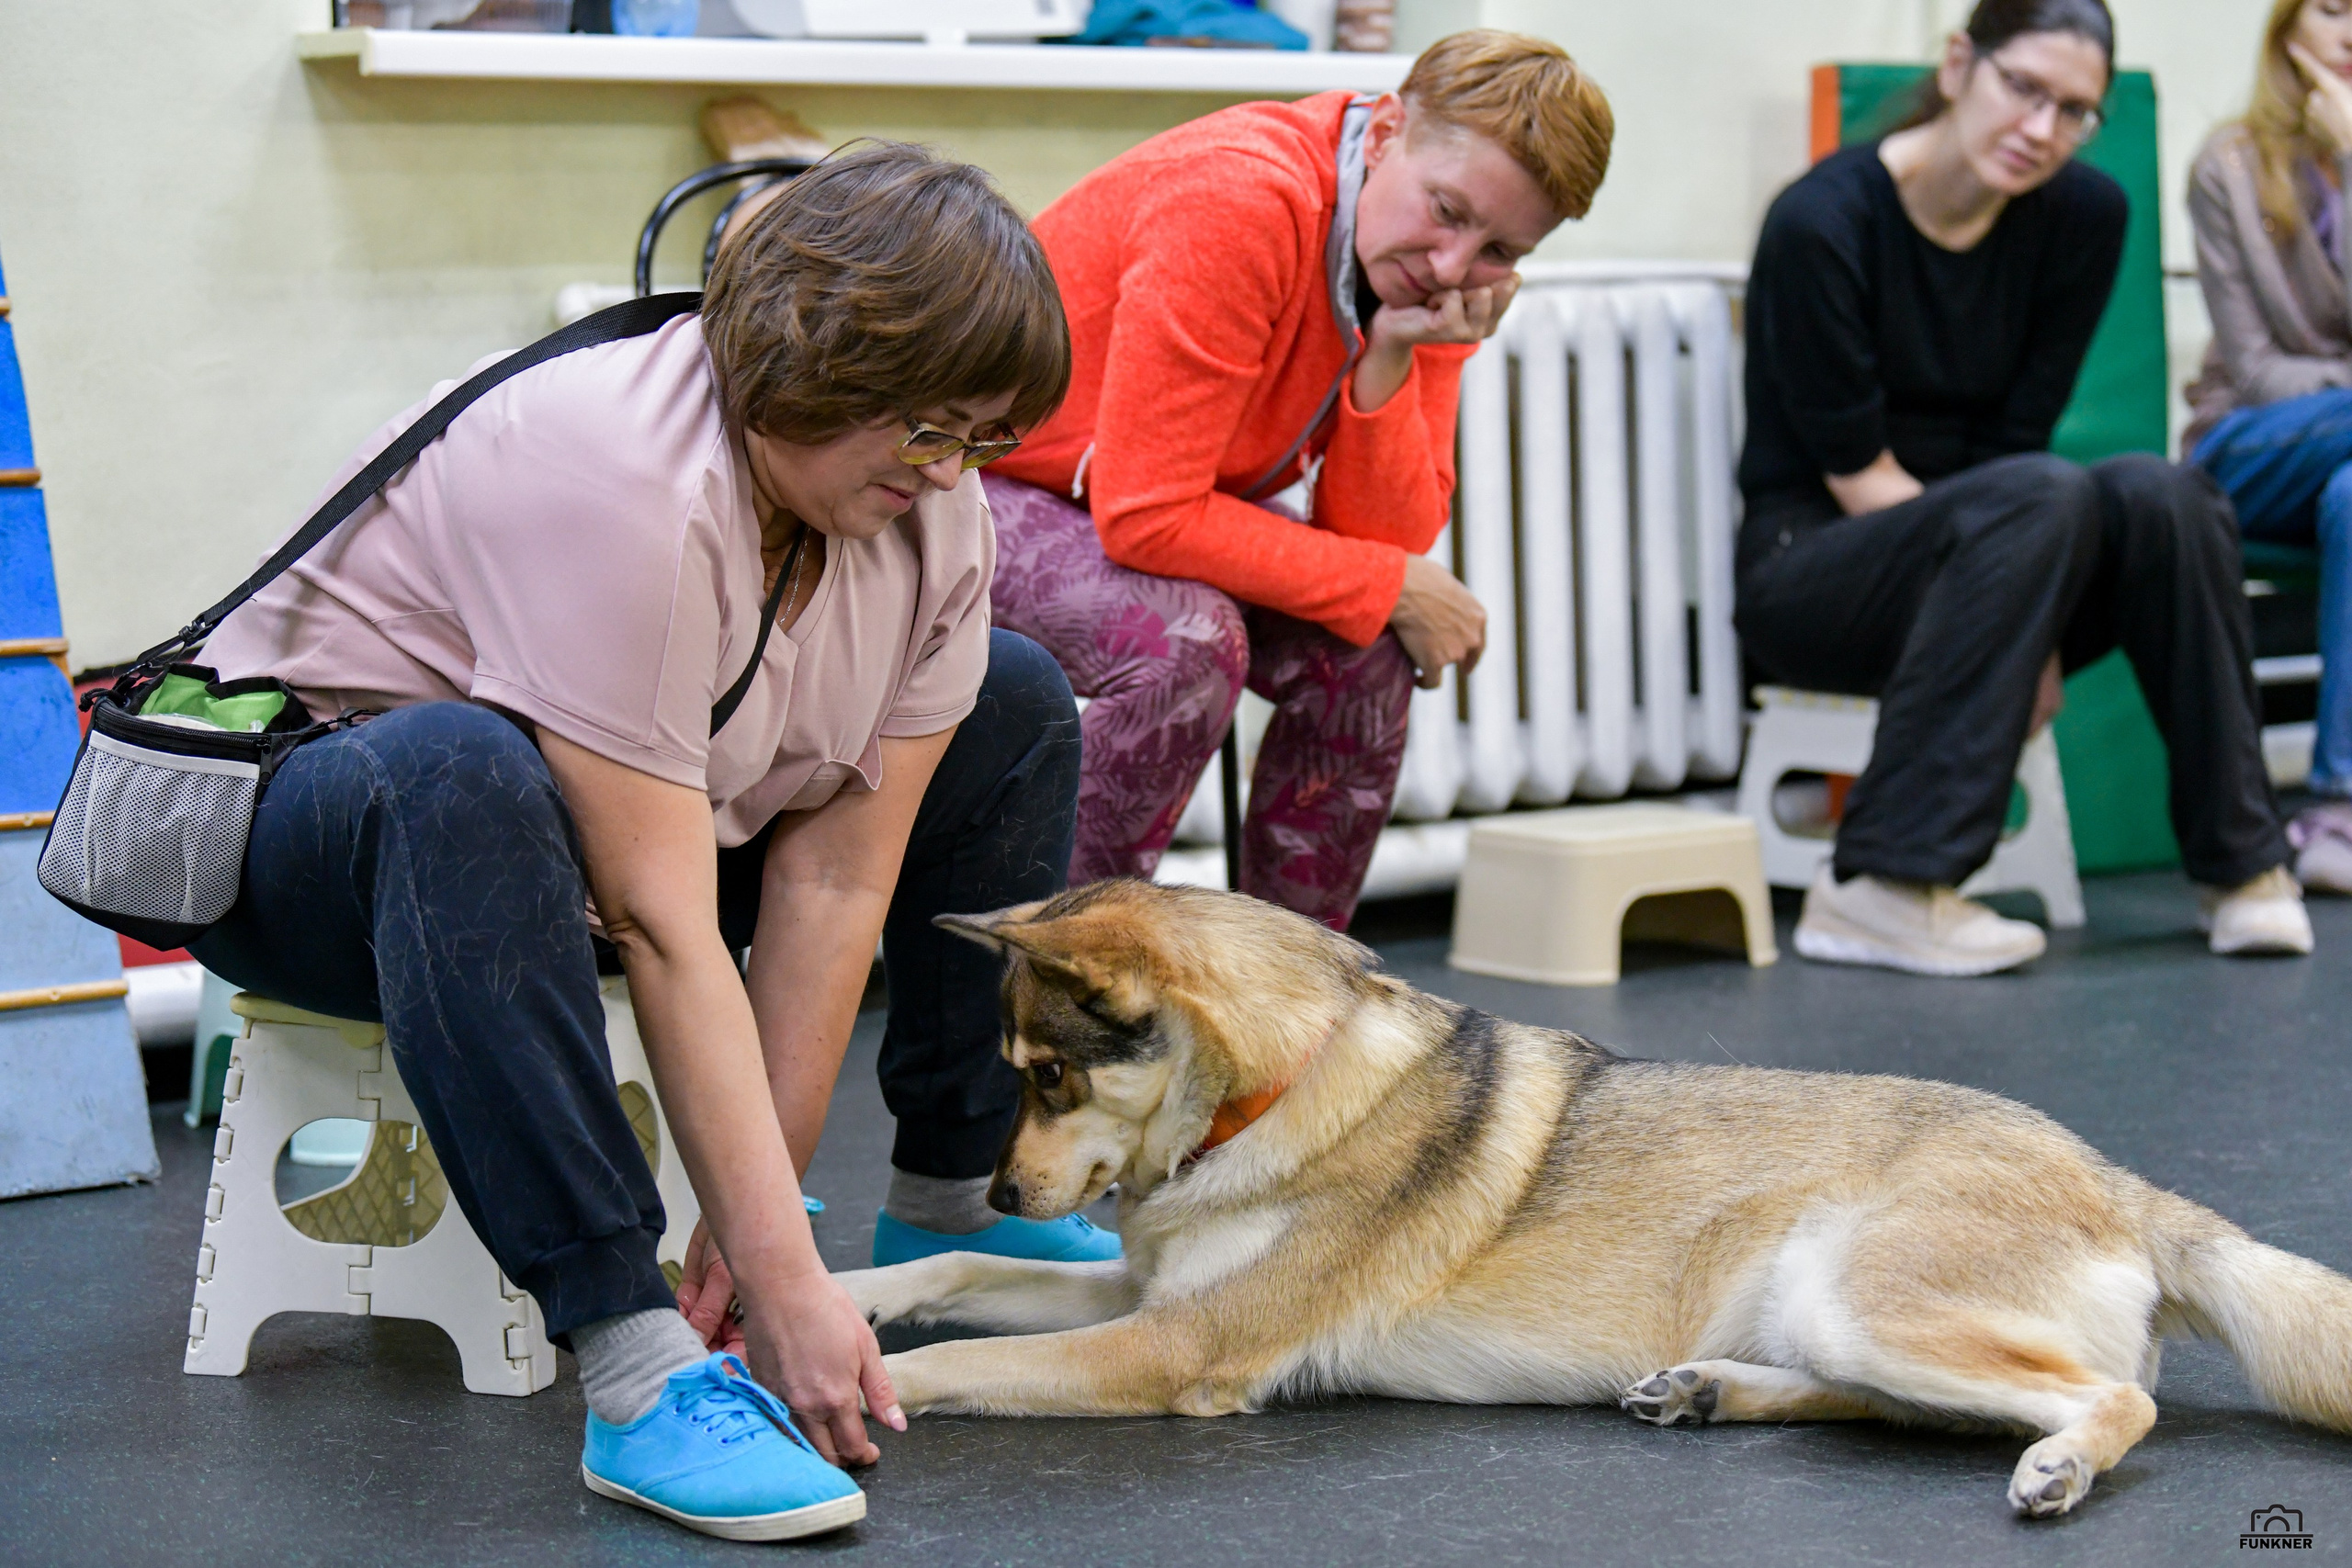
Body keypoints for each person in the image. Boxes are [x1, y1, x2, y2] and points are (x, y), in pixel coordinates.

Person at [189, 144, 1107, 1541]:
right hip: (323, 836)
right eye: (929, 429)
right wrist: (779, 1280)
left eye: (982, 437)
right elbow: (669, 920)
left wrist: (758, 1245)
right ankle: (633, 1366)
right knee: (461, 763)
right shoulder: (620, 472)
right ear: (812, 358)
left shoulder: (938, 517)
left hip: (590, 835)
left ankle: (946, 1198)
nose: (951, 474)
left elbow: (837, 875)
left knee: (1018, 695)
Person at [982, 30, 1613, 930]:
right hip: (982, 478)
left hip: (1121, 501)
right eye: (1445, 208)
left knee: (1366, 653)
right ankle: (1060, 981)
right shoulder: (1241, 199)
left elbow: (1380, 540)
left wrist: (1392, 358)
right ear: (1388, 129)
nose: (1449, 265)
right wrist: (1389, 583)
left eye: (1498, 251)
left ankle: (1291, 1017)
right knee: (1185, 644)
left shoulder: (1431, 286)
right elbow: (1148, 518)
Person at [1737, 0, 2312, 976]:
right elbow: (1858, 473)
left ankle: (2244, 867)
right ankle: (1878, 883)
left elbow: (2016, 441)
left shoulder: (2083, 217)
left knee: (2163, 496)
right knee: (2039, 496)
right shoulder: (1820, 221)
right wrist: (2017, 606)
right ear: (1960, 64)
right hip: (1815, 568)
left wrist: (2018, 600)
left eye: (2074, 111)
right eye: (2024, 89)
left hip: (1999, 546)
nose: (2041, 131)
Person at [2187, 0, 2352, 894]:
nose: (2350, 30)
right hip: (2244, 451)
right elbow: (2253, 372)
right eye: (2331, 7)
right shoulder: (2228, 166)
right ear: (2285, 28)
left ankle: (2338, 811)